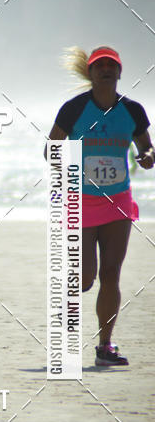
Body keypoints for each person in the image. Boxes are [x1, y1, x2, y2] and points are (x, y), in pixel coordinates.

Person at [46, 46, 154, 366]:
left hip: (118, 201)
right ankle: (66, 307)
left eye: (112, 65)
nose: (106, 69)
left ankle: (105, 345)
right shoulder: (74, 109)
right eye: (99, 65)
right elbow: (51, 149)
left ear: (119, 72)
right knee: (85, 277)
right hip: (81, 201)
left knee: (111, 273)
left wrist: (147, 157)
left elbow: (146, 146)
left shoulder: (133, 111)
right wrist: (68, 172)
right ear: (91, 73)